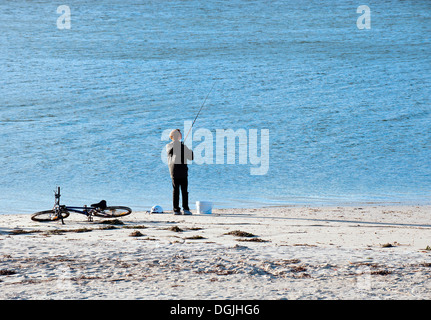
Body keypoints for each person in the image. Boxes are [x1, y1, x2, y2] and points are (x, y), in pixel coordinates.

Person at [166, 129, 194, 215]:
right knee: (177, 190)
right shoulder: (169, 146)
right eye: (179, 134)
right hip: (175, 171)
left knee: (183, 190)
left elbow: (191, 157)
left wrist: (185, 148)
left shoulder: (182, 146)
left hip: (181, 171)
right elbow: (171, 151)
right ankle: (177, 209)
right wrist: (180, 145)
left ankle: (184, 209)